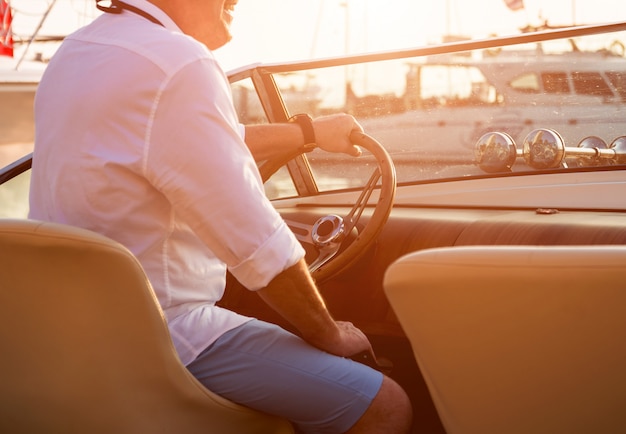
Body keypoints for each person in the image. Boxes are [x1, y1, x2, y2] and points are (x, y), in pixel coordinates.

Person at [28, 0, 413, 432]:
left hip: (67, 329)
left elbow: (193, 139)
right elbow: (256, 243)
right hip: (165, 332)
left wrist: (307, 134)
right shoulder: (179, 62)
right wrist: (330, 334)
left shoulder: (80, 50)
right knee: (383, 403)